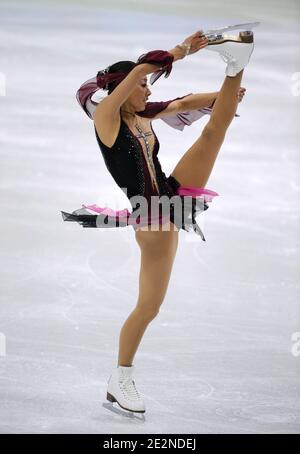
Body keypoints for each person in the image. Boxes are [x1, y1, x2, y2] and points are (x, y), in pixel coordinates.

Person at [61, 29, 253, 413]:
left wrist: (222, 96)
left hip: (170, 194)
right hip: (151, 219)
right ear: (123, 87)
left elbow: (182, 102)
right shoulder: (107, 120)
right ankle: (121, 377)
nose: (147, 91)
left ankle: (237, 62)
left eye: (148, 86)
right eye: (142, 86)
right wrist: (179, 52)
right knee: (149, 307)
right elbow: (136, 76)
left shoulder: (144, 115)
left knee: (216, 128)